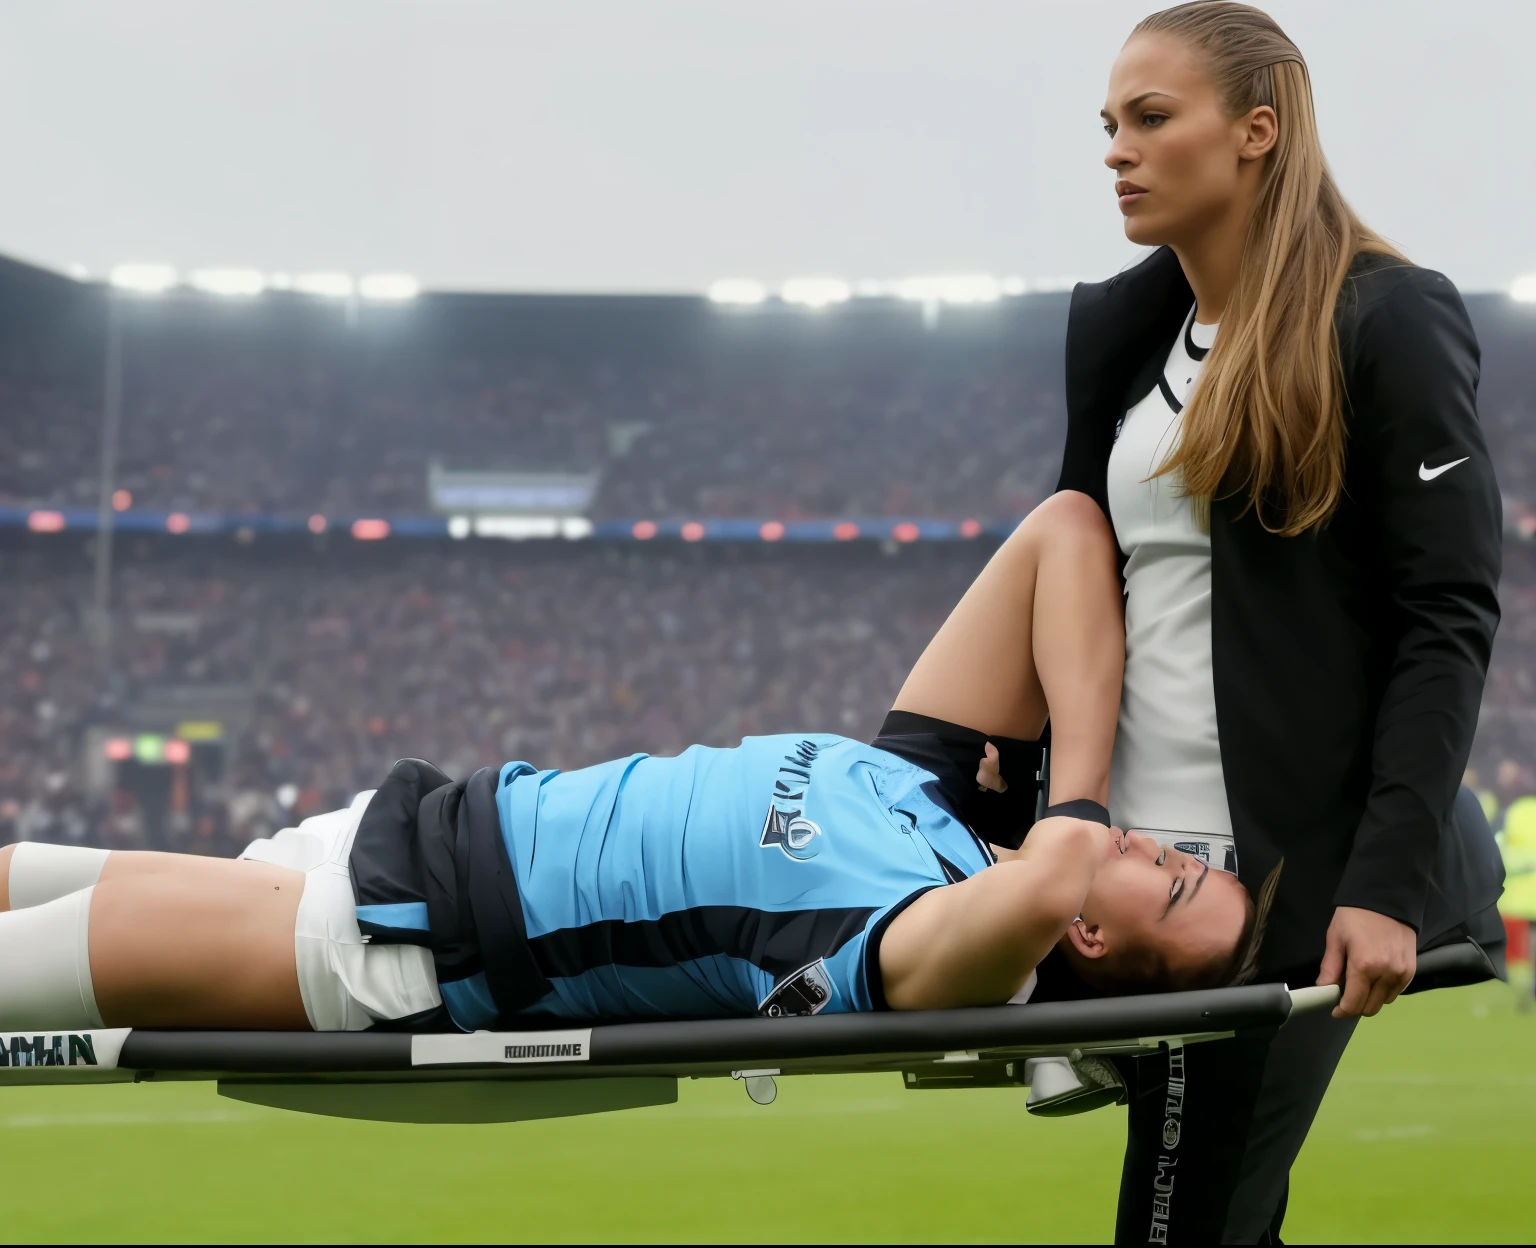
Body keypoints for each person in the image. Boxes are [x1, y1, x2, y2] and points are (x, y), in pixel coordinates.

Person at [0, 492, 1266, 1034]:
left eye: (1167, 883)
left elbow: (1041, 894)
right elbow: (1062, 535)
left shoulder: (945, 949)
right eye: (1182, 856)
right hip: (415, 833)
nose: (1154, 845)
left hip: (409, 943)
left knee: (34, 959)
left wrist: (1071, 834)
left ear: (1093, 944)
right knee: (23, 880)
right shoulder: (946, 797)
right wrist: (1076, 799)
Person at [1055, 3, 1504, 1241]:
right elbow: (1083, 575)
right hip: (1126, 878)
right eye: (1109, 125)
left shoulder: (1388, 316)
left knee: (1185, 1221)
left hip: (1271, 894)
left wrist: (1385, 885)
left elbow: (1446, 615)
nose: (1116, 151)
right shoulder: (1118, 326)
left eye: (1151, 119)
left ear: (1258, 130)